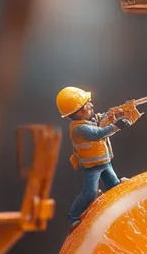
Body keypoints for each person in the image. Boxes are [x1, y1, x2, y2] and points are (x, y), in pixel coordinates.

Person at [55, 86, 141, 229]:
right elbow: (99, 133)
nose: (92, 105)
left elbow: (103, 118)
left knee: (114, 185)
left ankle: (119, 210)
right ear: (79, 112)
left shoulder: (90, 119)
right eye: (88, 104)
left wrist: (119, 111)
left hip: (104, 161)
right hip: (92, 167)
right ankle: (73, 216)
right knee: (89, 193)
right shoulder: (79, 128)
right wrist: (116, 126)